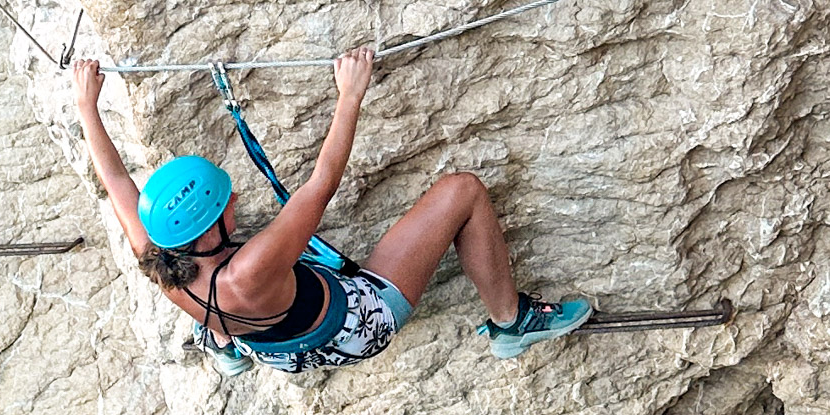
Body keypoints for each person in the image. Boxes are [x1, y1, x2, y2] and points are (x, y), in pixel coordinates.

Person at [72, 50, 590, 372]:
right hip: (354, 328)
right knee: (463, 191)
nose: (236, 202)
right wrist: (350, 95)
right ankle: (511, 321)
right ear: (213, 221)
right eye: (228, 201)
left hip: (270, 347)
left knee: (221, 314)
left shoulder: (157, 256)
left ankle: (224, 343)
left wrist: (86, 108)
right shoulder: (251, 267)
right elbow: (319, 188)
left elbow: (116, 182)